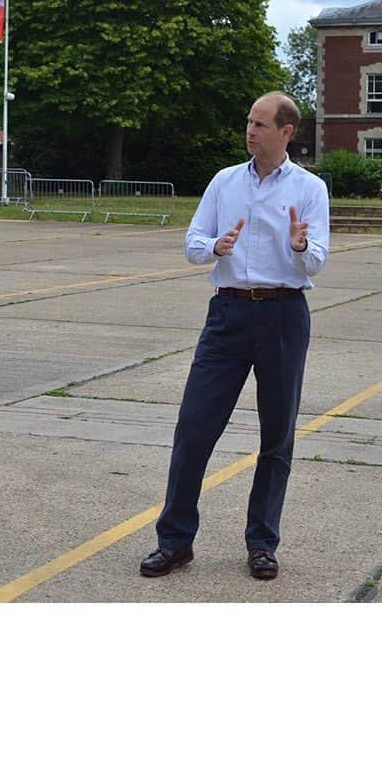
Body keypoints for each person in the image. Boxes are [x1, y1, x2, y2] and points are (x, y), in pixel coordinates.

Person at [140, 92, 329, 582]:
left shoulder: (310, 189)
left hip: (284, 315)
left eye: (261, 124)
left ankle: (262, 544)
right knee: (194, 429)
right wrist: (213, 246)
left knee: (276, 437)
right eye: (248, 122)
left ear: (287, 132)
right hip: (227, 313)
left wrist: (300, 245)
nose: (250, 131)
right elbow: (192, 242)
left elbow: (318, 259)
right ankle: (175, 541)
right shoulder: (225, 182)